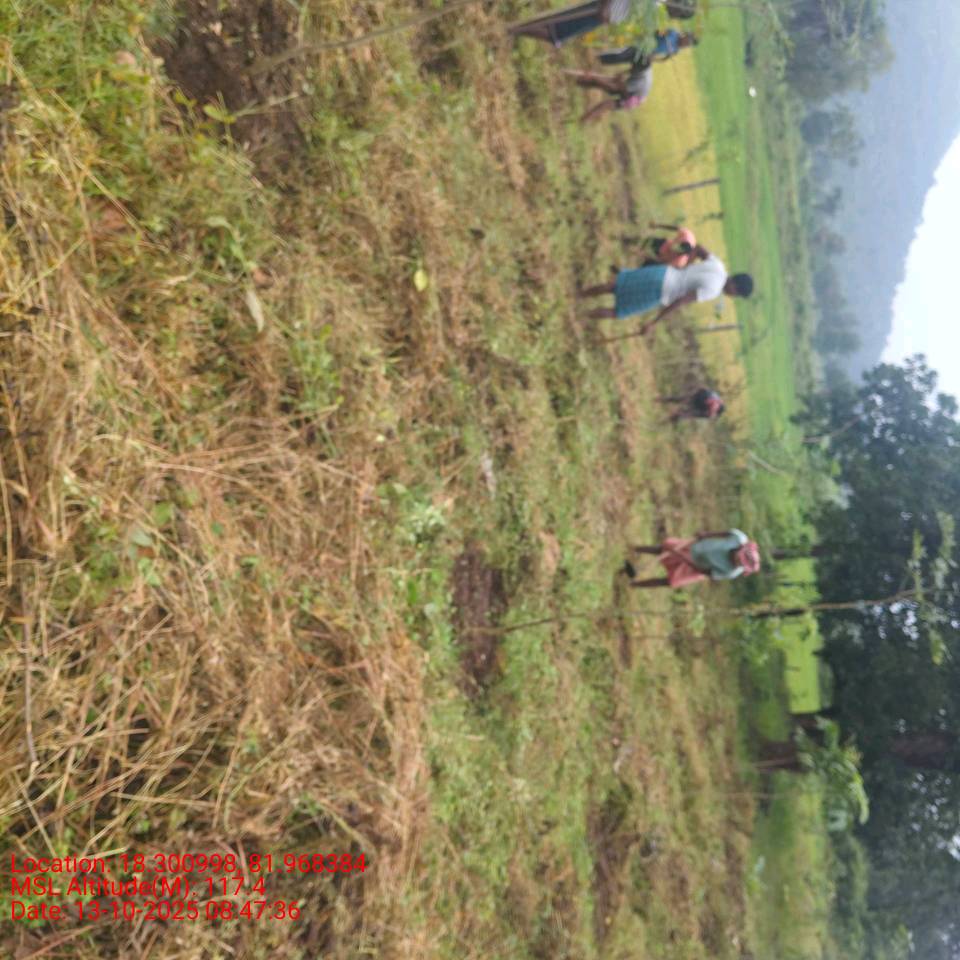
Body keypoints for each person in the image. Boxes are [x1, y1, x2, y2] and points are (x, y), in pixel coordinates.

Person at [577, 241, 753, 330]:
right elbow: (681, 301)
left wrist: (686, 266)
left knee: (615, 286)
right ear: (735, 287)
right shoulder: (713, 290)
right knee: (619, 311)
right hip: (661, 291)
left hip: (662, 272)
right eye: (736, 294)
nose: (733, 296)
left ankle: (578, 296)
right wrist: (654, 322)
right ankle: (580, 316)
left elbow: (697, 248)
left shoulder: (718, 265)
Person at [624, 529, 760, 588]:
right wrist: (705, 535)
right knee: (663, 549)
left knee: (670, 581)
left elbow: (705, 572)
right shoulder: (739, 538)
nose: (734, 561)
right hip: (697, 546)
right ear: (741, 549)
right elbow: (725, 533)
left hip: (697, 566)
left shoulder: (731, 572)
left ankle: (633, 585)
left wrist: (684, 558)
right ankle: (633, 549)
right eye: (737, 557)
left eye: (738, 563)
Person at [507, 0, 632, 47]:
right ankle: (513, 30)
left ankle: (514, 30)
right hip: (600, 10)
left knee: (557, 32)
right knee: (556, 30)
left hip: (602, 17)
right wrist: (606, 5)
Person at [564, 57, 653, 122]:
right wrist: (621, 74)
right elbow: (631, 70)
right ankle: (574, 83)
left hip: (632, 98)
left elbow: (615, 87)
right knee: (599, 82)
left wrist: (595, 78)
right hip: (628, 87)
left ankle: (581, 121)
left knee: (605, 104)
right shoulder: (642, 64)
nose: (632, 64)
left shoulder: (641, 81)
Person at [660, 386, 725, 422]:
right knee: (679, 400)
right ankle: (661, 400)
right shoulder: (714, 398)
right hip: (697, 397)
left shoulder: (710, 413)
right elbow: (703, 390)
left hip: (699, 405)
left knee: (682, 414)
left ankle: (665, 420)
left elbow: (697, 415)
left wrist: (687, 414)